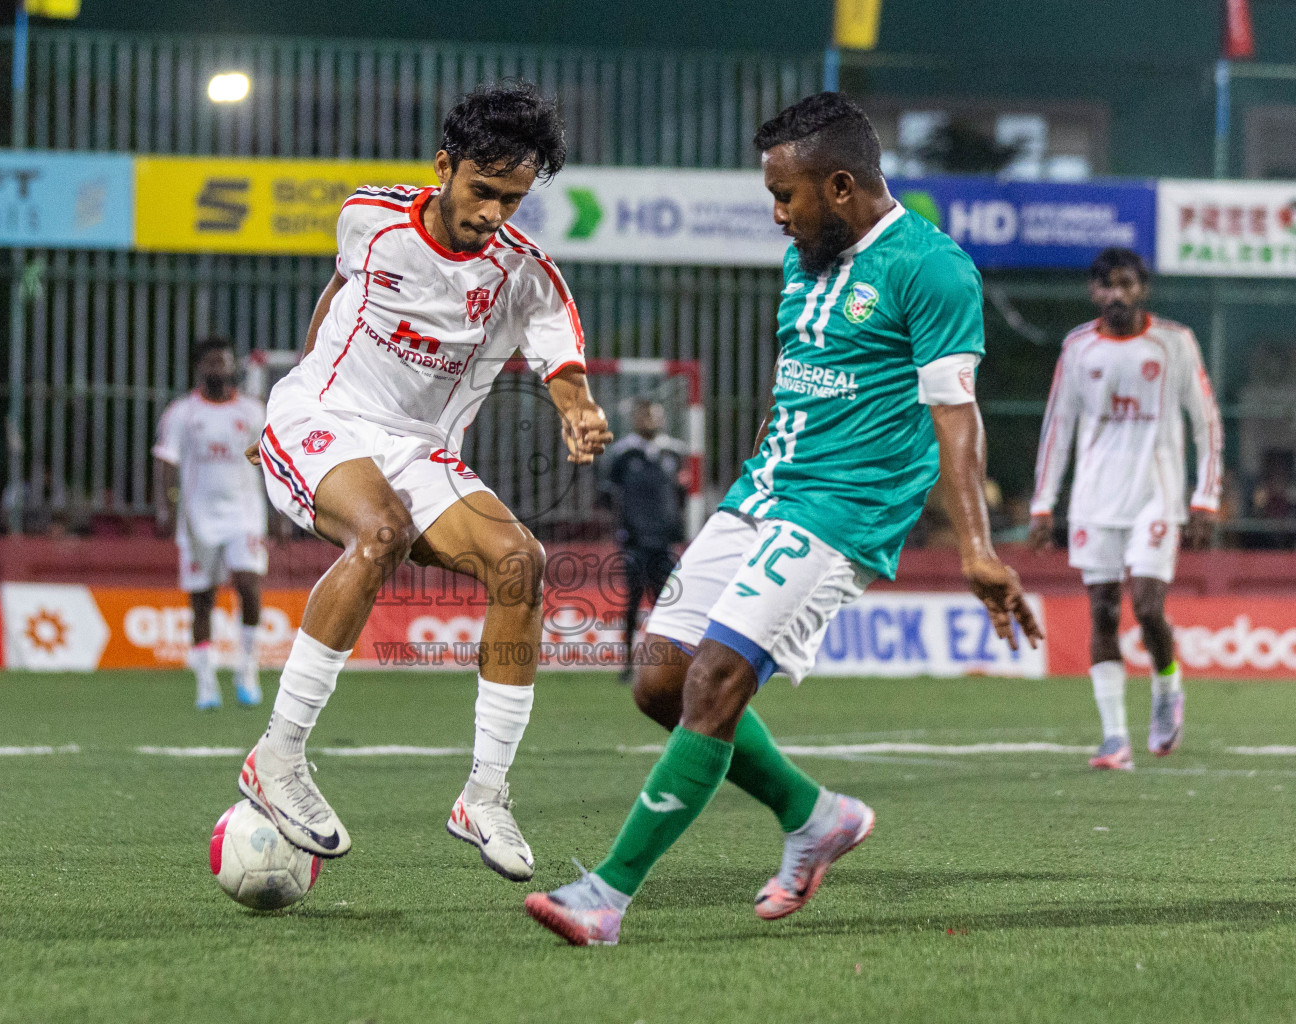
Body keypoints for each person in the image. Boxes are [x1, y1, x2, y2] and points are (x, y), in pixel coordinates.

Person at [523, 92, 1042, 946]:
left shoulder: (932, 268)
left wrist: (978, 550)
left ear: (842, 186)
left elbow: (956, 413)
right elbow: (799, 381)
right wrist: (748, 490)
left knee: (715, 683)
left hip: (842, 511)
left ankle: (606, 896)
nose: (776, 213)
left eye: (786, 196)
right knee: (659, 680)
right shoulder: (807, 258)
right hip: (760, 497)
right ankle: (815, 816)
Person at [239, 81, 611, 882]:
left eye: (512, 199)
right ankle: (276, 756)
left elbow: (564, 364)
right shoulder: (369, 217)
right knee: (381, 534)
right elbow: (342, 286)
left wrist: (577, 410)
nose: (492, 213)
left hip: (418, 447)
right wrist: (284, 420)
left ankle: (484, 793)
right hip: (324, 413)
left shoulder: (525, 275)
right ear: (444, 167)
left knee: (522, 564)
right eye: (481, 190)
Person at [1028, 248, 1223, 770]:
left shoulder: (1175, 342)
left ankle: (1167, 687)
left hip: (1156, 497)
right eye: (1108, 286)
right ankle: (1115, 737)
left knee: (1149, 606)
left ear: (1144, 288)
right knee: (1104, 612)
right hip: (1095, 500)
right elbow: (1058, 428)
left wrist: (1206, 496)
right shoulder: (1078, 347)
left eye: (1128, 284)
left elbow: (1205, 422)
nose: (1119, 294)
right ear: (1095, 293)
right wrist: (1044, 505)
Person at [154, 336, 269, 710]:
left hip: (245, 514)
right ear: (199, 368)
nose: (217, 369)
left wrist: (282, 511)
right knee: (202, 600)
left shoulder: (253, 412)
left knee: (249, 588)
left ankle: (246, 668)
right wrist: (166, 508)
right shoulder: (182, 413)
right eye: (210, 363)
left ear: (233, 366)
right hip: (198, 518)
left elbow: (272, 462)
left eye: (223, 362)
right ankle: (206, 682)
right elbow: (166, 463)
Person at [600, 399, 687, 681]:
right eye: (645, 414)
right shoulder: (623, 454)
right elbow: (608, 497)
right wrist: (622, 529)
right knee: (633, 602)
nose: (650, 419)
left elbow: (681, 496)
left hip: (664, 542)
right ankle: (627, 664)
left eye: (655, 414)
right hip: (635, 540)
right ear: (636, 419)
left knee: (666, 605)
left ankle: (667, 663)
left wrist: (677, 528)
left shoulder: (674, 452)